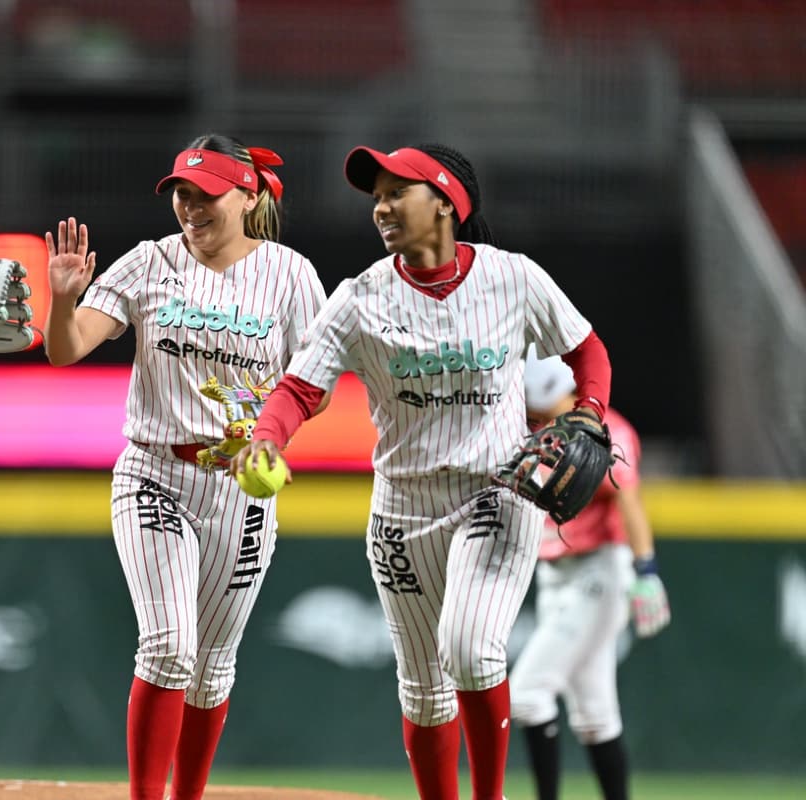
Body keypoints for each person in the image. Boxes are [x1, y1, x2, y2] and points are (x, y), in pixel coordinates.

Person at [232, 143, 614, 800]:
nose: (379, 208)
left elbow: (588, 351)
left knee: (469, 650)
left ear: (444, 201)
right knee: (424, 688)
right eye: (375, 197)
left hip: (495, 492)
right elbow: (299, 388)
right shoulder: (359, 299)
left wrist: (591, 412)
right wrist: (268, 436)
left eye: (393, 193)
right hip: (401, 510)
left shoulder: (512, 278)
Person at [44, 134, 327, 800]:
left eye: (206, 195)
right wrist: (62, 300)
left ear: (248, 195)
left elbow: (318, 382)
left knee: (212, 667)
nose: (190, 207)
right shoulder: (148, 264)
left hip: (242, 487)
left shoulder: (290, 275)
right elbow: (67, 349)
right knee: (169, 646)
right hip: (153, 471)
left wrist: (267, 430)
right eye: (181, 193)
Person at [509, 351, 671, 800]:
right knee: (596, 714)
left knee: (527, 694)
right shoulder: (538, 432)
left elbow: (628, 498)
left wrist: (646, 568)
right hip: (555, 574)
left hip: (598, 570)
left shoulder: (607, 430)